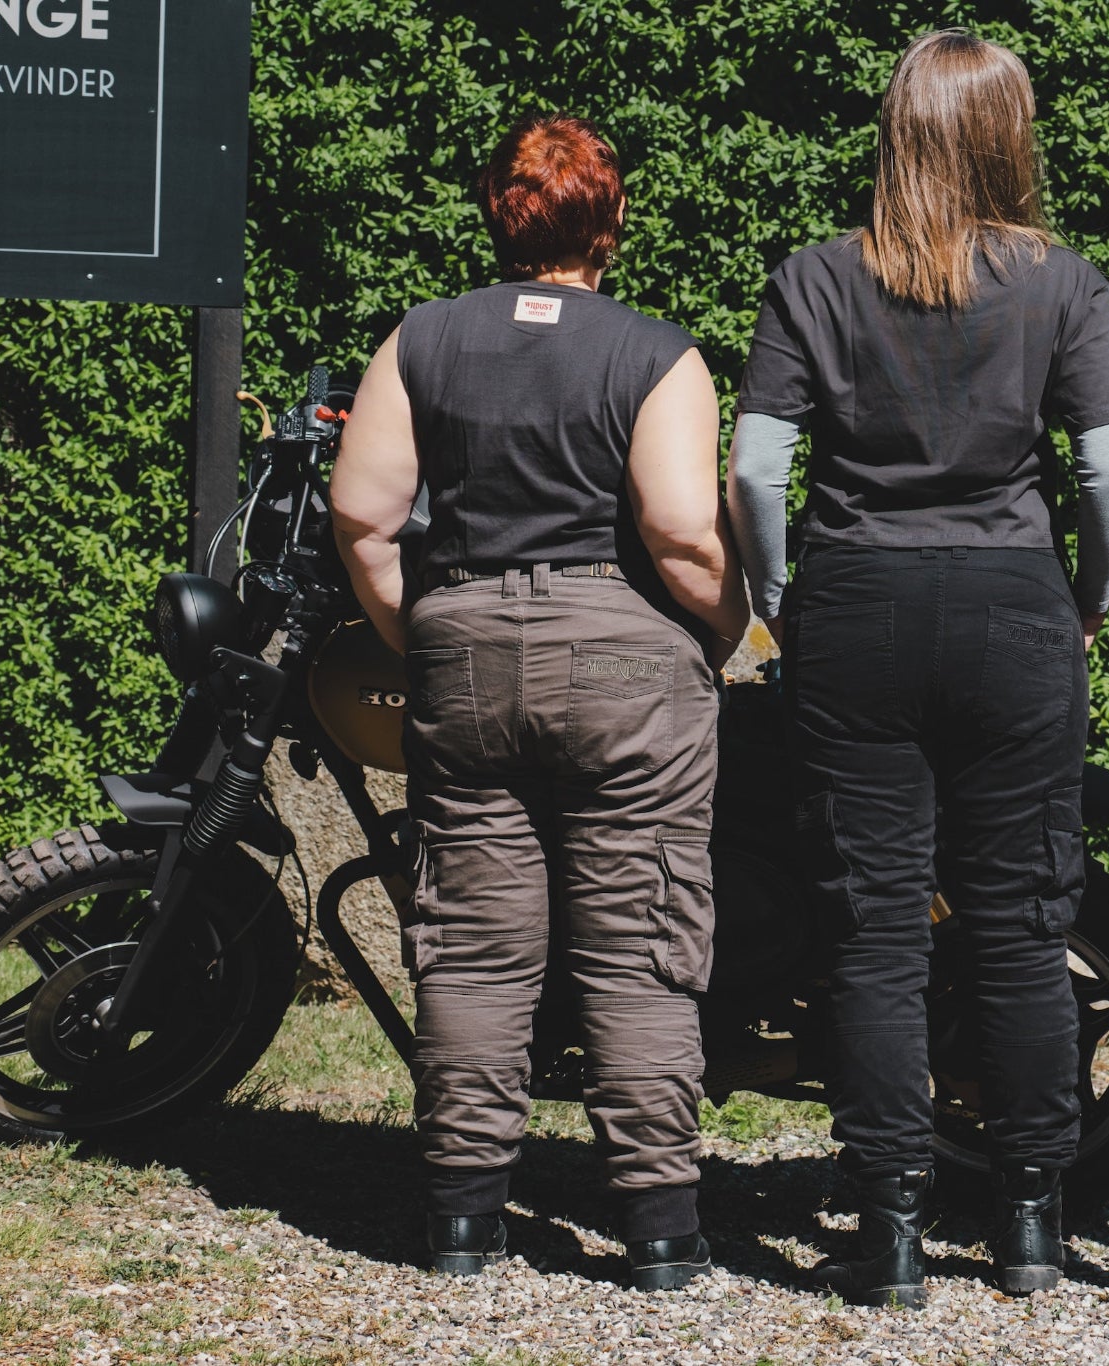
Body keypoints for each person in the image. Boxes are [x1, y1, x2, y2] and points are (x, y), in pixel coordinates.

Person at [728, 30, 1109, 1306]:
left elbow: (752, 470)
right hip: (1016, 612)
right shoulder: (1062, 284)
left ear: (896, 133)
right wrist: (1080, 601)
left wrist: (781, 600)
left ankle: (891, 1226)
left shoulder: (814, 277)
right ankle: (1026, 1224)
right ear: (1008, 136)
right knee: (1022, 927)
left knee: (870, 928)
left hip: (855, 610)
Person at [330, 114, 749, 1285]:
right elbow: (679, 533)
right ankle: (661, 1229)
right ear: (607, 222)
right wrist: (726, 631)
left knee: (470, 946)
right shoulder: (656, 353)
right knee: (639, 943)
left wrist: (429, 638)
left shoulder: (419, 340)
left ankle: (462, 1219)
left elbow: (363, 519)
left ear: (497, 216)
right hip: (625, 665)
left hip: (462, 648)